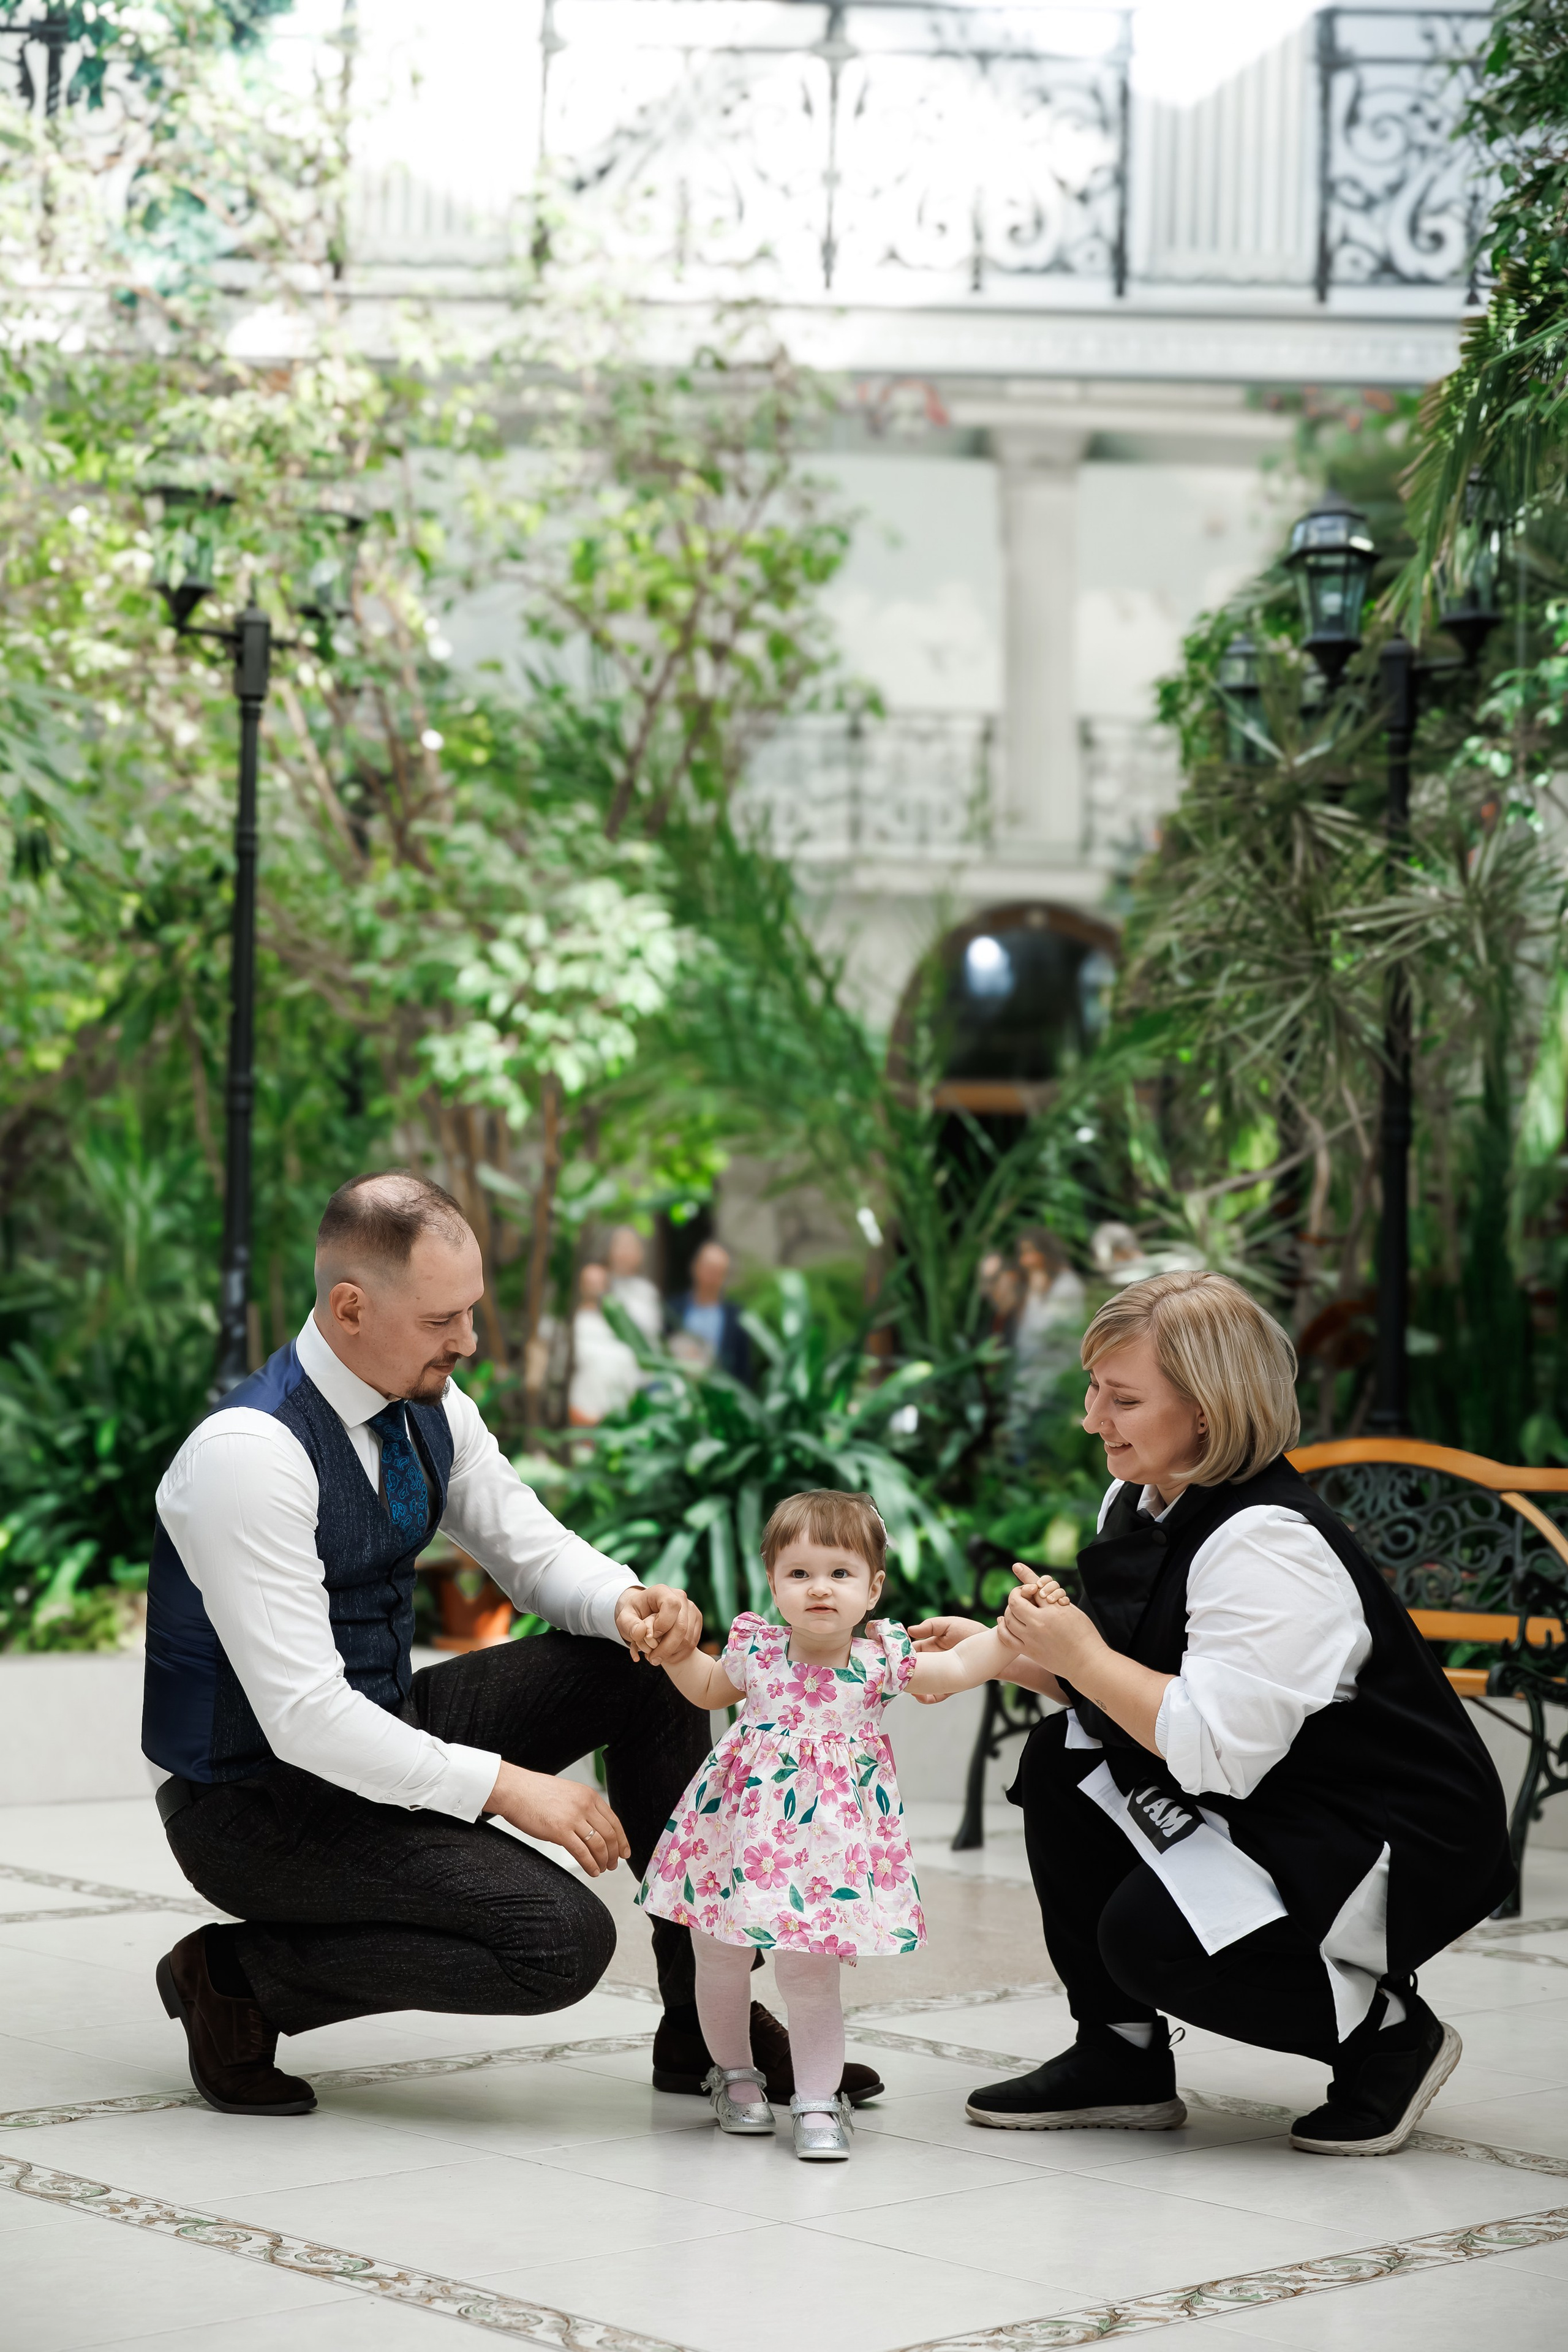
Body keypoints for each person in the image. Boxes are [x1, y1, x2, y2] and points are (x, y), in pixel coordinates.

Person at [142, 1172, 875, 2120]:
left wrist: (632, 1605)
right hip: (250, 1800)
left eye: (473, 1312)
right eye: (443, 1319)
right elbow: (303, 1719)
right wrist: (507, 1787)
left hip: (383, 1730)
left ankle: (706, 2020)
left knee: (643, 1672)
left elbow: (530, 1552)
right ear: (350, 1307)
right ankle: (240, 1979)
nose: (469, 1342)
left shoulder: (430, 1408)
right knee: (557, 1942)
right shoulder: (250, 1454)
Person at [914, 1268, 1512, 2158]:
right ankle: (1120, 2054)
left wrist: (1079, 1654)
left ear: (1207, 1410)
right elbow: (1137, 1688)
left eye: (1121, 1399)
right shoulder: (1146, 1497)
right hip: (1282, 1794)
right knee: (1061, 1760)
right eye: (1094, 1391)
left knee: (1149, 1940)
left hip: (1395, 1837)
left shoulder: (1267, 1543)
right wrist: (1001, 1658)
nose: (1092, 1420)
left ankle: (1387, 2037)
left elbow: (1212, 1750)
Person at [638, 1489, 1024, 2158]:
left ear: (872, 1589)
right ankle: (734, 2077)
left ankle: (816, 2099)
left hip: (827, 1849)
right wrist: (673, 1649)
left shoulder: (879, 1662)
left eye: (840, 1574)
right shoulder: (757, 1653)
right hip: (737, 1835)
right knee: (719, 1954)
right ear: (772, 1582)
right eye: (800, 1573)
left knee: (811, 1973)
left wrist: (1014, 1629)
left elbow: (962, 1665)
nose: (820, 1589)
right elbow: (705, 1688)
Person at [567, 1261, 643, 1426]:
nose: (594, 1288)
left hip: (620, 1411)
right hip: (583, 1409)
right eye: (589, 1283)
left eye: (599, 1283)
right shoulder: (571, 1324)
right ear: (581, 1286)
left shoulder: (620, 1323)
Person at [667, 1238, 750, 1382]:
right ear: (695, 1267)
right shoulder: (673, 1309)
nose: (712, 1277)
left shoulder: (736, 1317)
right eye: (709, 1269)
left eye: (719, 1272)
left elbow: (743, 1369)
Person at [606, 1223, 663, 1349]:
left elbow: (653, 1334)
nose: (624, 1253)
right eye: (620, 1246)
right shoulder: (602, 1284)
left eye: (630, 1247)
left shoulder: (647, 1291)